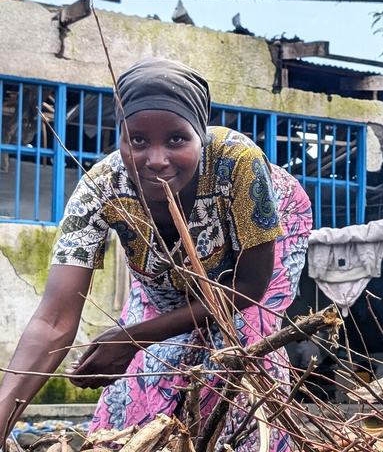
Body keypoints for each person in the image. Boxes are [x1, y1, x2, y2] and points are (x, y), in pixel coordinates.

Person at [0, 58, 312, 451]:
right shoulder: (101, 190)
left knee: (240, 350)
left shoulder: (238, 164)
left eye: (177, 139)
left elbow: (249, 287)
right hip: (166, 280)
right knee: (143, 377)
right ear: (120, 140)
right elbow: (54, 318)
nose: (157, 159)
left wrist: (133, 336)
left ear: (200, 135)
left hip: (260, 257)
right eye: (139, 140)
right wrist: (3, 414)